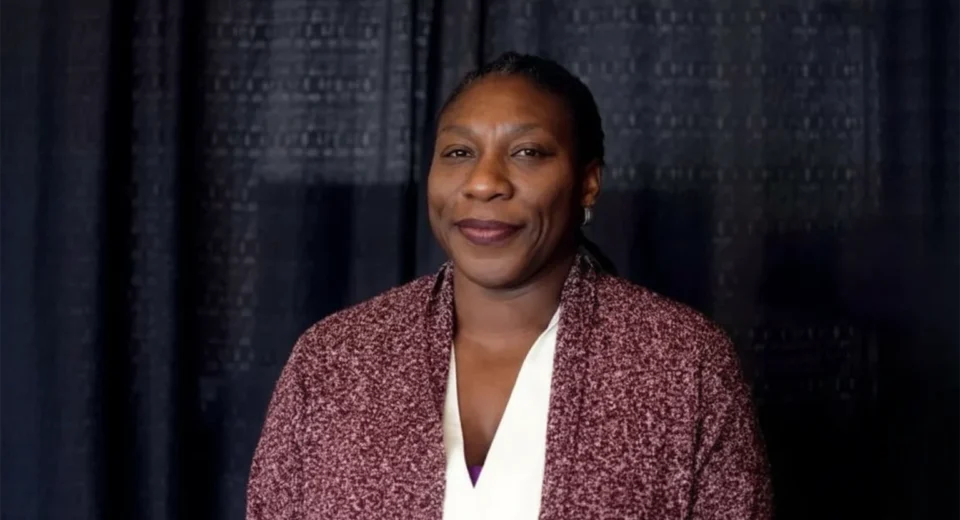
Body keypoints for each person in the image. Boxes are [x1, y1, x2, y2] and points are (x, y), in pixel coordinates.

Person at [246, 52, 772, 520]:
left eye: (527, 152)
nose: (483, 182)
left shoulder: (682, 364)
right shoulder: (334, 360)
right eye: (458, 153)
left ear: (588, 182)